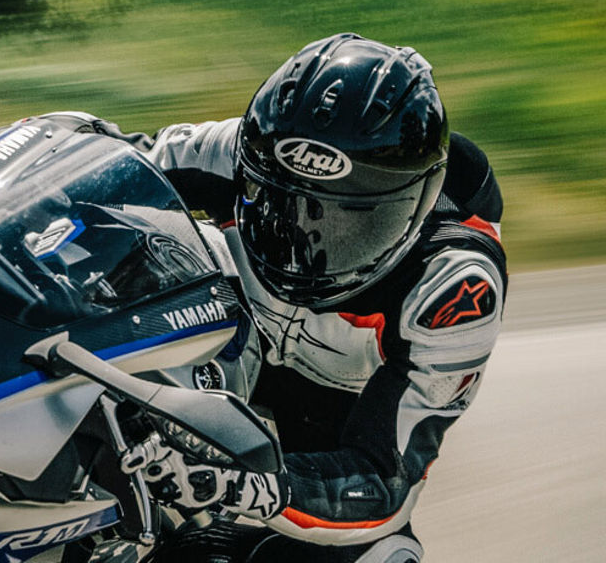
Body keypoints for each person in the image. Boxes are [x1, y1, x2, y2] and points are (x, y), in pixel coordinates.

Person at [104, 33, 505, 562]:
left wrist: (255, 485)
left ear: (417, 205)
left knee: (375, 557)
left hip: (340, 417)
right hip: (221, 345)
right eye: (281, 204)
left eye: (352, 221)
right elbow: (102, 162)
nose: (304, 243)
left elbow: (387, 478)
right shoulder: (238, 150)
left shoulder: (456, 287)